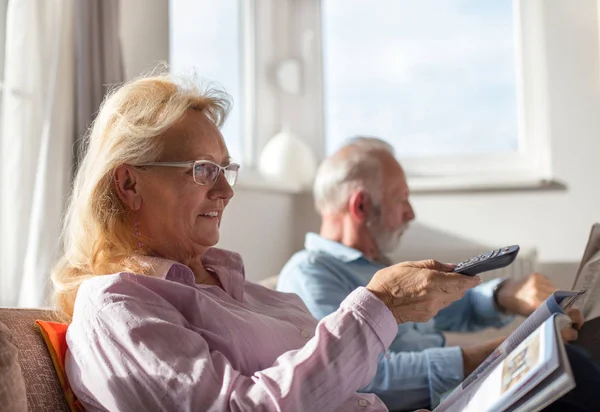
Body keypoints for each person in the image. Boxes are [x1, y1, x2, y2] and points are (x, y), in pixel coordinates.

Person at [50, 74, 481, 411]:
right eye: (202, 170)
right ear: (128, 183)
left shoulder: (246, 292)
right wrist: (380, 304)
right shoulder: (116, 305)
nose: (225, 191)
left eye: (225, 169)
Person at [277, 137, 590, 411]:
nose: (410, 213)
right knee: (571, 368)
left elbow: (451, 305)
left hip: (452, 395)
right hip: (430, 403)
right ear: (360, 206)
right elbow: (363, 378)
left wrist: (505, 294)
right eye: (401, 198)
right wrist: (499, 353)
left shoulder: (375, 266)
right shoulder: (310, 275)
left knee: (575, 358)